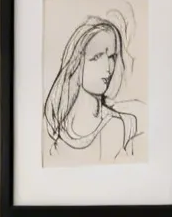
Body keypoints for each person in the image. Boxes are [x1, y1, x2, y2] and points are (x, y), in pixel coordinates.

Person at [43, 13, 142, 163]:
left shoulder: (117, 125)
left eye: (111, 57)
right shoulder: (55, 129)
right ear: (76, 63)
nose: (108, 67)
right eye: (97, 57)